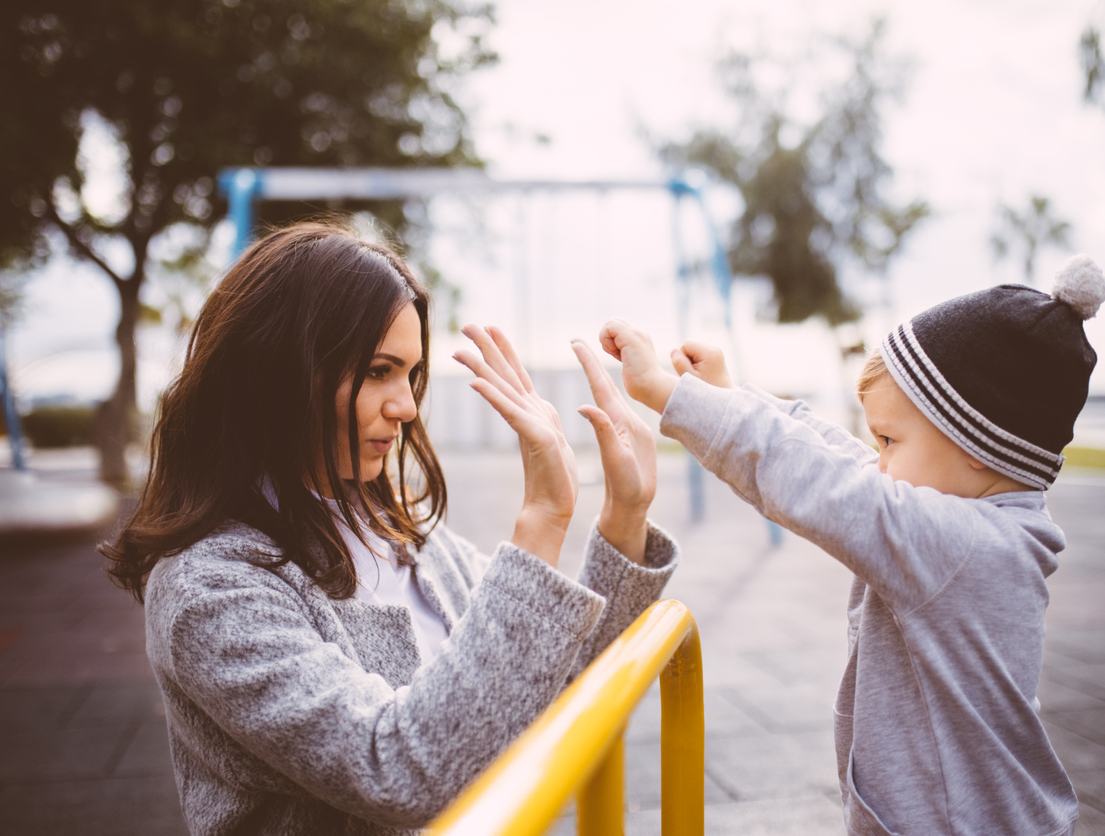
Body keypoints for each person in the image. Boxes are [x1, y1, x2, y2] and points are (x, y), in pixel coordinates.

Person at [101, 220, 677, 835]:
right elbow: (397, 771)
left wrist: (624, 517)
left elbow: (547, 682)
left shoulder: (406, 539)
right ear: (279, 372)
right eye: (378, 371)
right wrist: (541, 521)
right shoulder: (207, 588)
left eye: (410, 375)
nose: (405, 406)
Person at [598, 254, 1105, 836]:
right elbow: (843, 459)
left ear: (976, 443)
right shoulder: (978, 519)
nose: (880, 459)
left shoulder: (961, 544)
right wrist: (729, 395)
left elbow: (821, 480)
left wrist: (670, 397)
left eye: (890, 439)